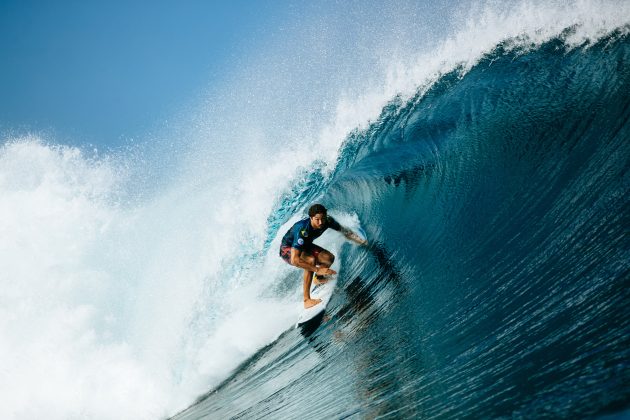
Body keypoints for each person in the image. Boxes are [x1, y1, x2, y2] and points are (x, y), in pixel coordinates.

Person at [279, 203, 367, 308]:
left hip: (304, 246)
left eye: (323, 218)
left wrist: (360, 240)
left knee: (329, 258)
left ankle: (319, 278)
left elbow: (344, 231)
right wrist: (317, 269)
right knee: (310, 260)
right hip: (287, 250)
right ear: (311, 218)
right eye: (317, 219)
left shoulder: (327, 221)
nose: (321, 222)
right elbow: (294, 260)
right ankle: (306, 300)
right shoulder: (303, 230)